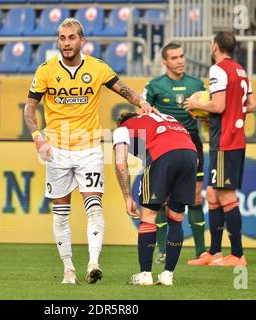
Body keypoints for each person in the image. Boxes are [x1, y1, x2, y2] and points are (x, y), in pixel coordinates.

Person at [24, 18, 155, 284]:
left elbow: (123, 89)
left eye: (71, 38)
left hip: (89, 148)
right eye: (62, 38)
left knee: (94, 207)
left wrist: (140, 101)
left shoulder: (96, 68)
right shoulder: (46, 70)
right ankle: (68, 269)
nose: (66, 43)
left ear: (82, 41)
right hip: (57, 150)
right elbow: (29, 108)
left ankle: (93, 263)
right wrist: (38, 138)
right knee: (61, 213)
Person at [184, 31, 255, 266]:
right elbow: (251, 106)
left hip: (225, 141)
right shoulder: (241, 70)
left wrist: (196, 104)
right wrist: (214, 116)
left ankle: (237, 255)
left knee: (226, 194)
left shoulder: (218, 69)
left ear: (215, 46)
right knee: (214, 193)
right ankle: (214, 253)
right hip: (232, 138)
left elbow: (219, 104)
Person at [113, 111, 197, 286]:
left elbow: (120, 163)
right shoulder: (162, 119)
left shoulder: (123, 128)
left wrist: (128, 197)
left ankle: (145, 275)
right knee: (176, 217)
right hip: (190, 154)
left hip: (164, 155)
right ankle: (168, 275)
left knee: (149, 216)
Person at [142, 43, 207, 264]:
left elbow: (208, 114)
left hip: (191, 141)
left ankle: (201, 252)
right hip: (163, 142)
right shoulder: (154, 86)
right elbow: (141, 113)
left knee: (196, 197)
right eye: (174, 58)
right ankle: (162, 250)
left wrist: (203, 113)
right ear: (164, 62)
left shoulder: (197, 84)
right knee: (160, 199)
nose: (180, 61)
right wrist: (152, 113)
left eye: (182, 56)